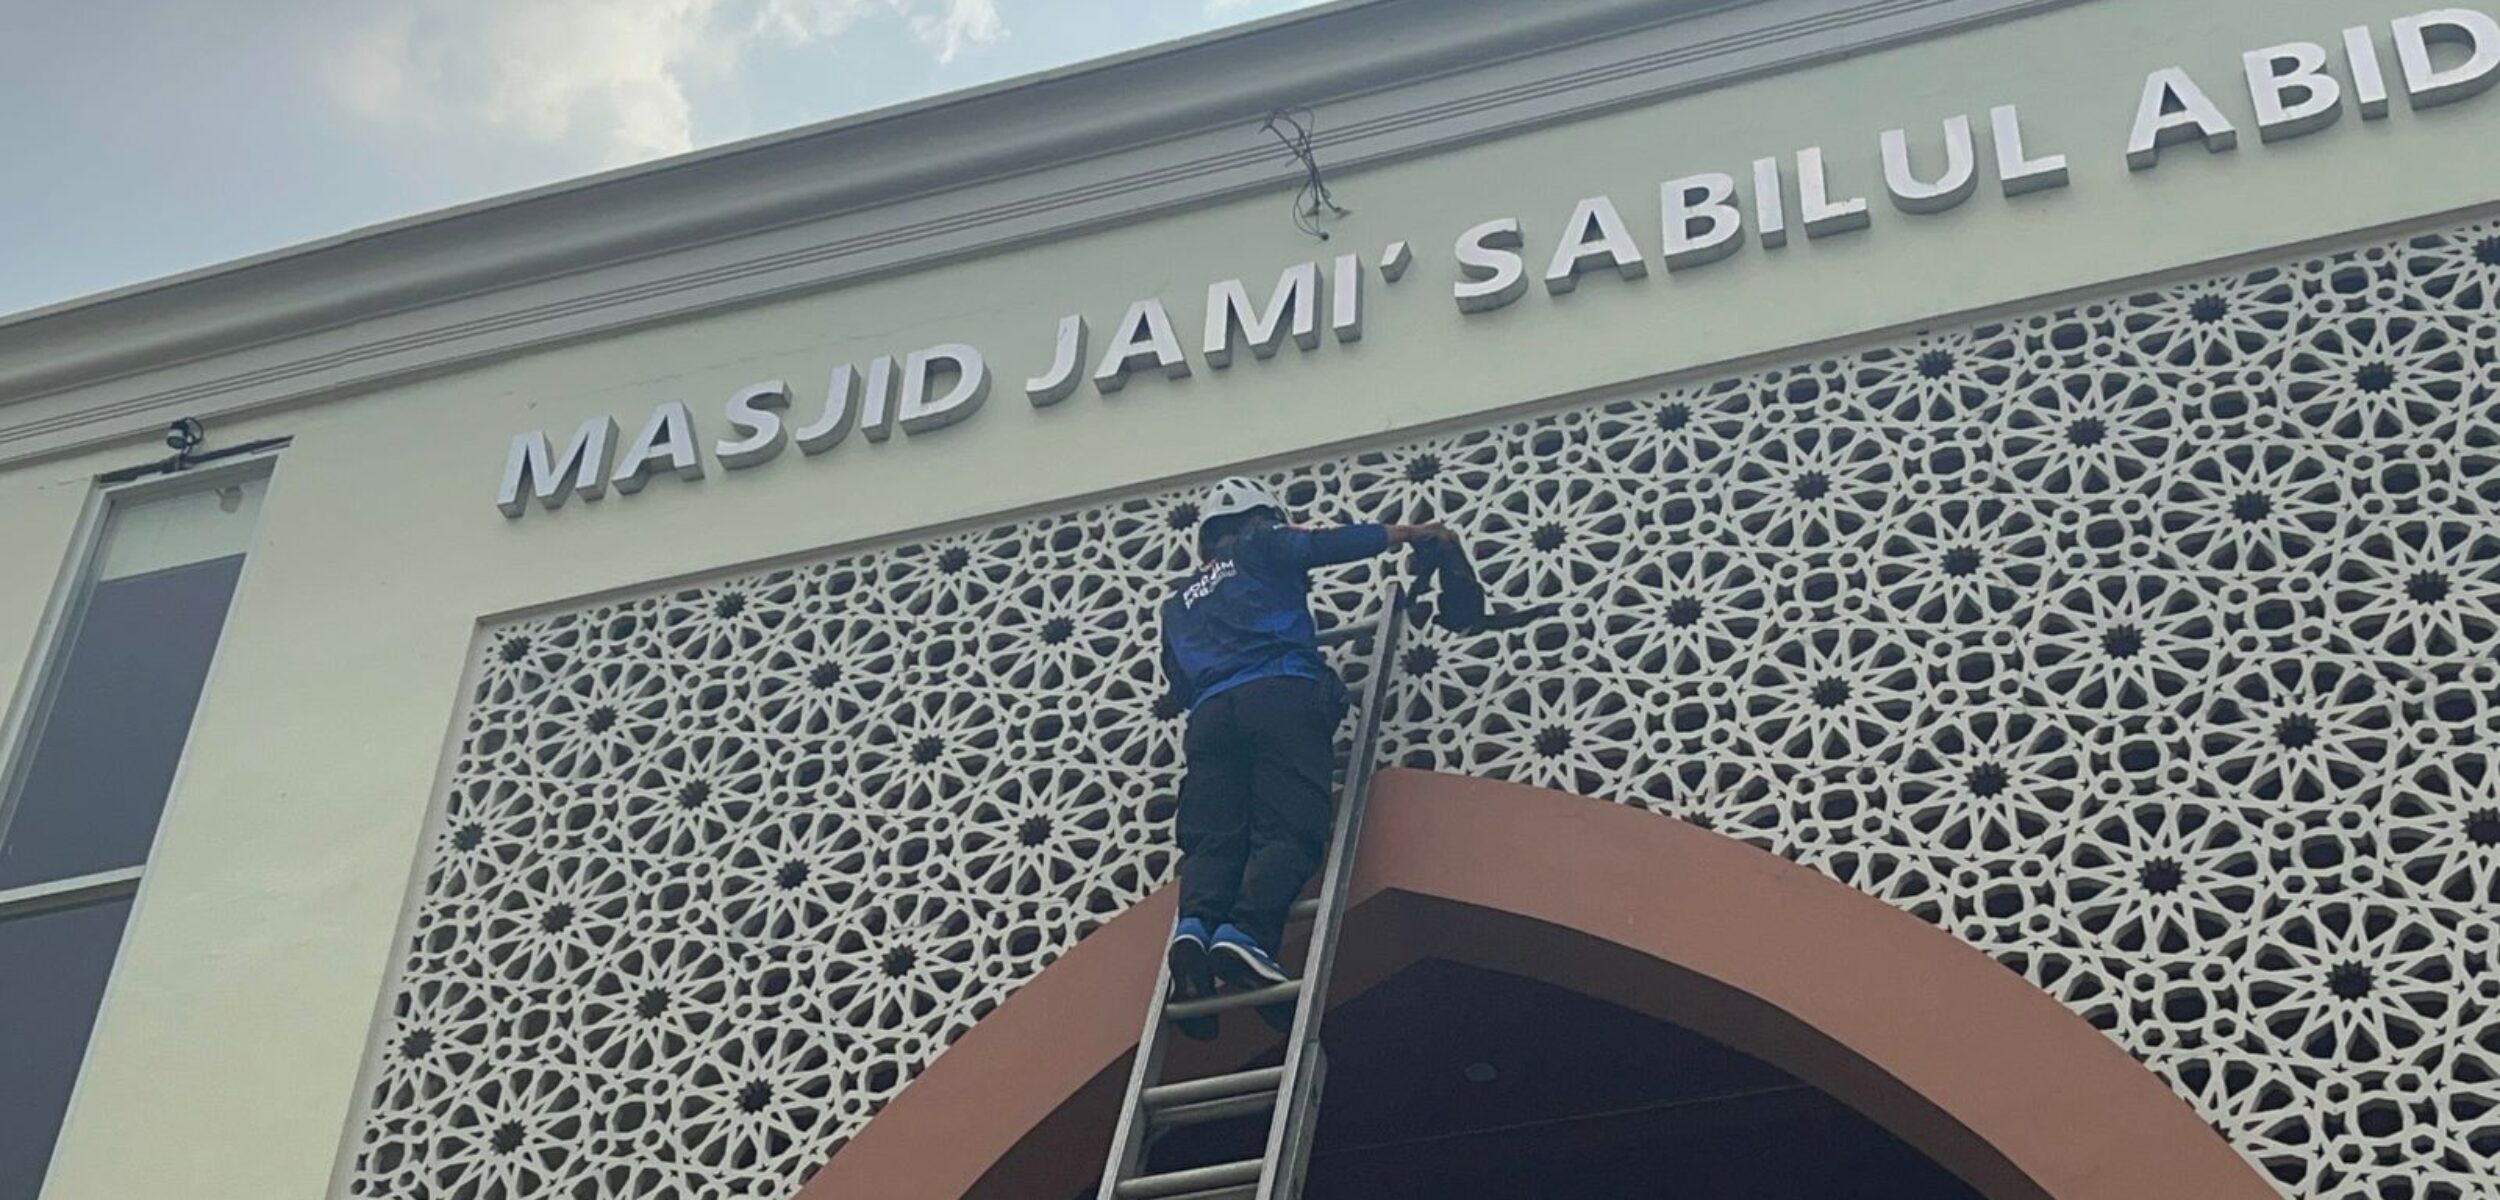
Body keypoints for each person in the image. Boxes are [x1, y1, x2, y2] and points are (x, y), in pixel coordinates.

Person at [1157, 475, 1451, 1016]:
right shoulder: (1261, 541)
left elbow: (1177, 682)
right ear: (1258, 517)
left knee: (1215, 839)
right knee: (1290, 827)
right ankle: (1246, 933)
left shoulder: (1178, 603)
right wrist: (1407, 533)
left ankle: (1194, 929)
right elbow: (1320, 544)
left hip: (1210, 718)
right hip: (1279, 693)